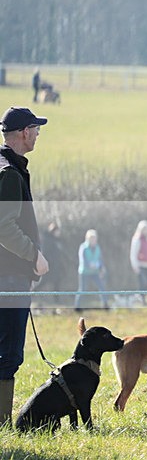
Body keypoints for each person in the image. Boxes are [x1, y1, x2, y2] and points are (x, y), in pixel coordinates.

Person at [0, 106, 49, 426]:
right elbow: (4, 226)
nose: (38, 134)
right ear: (24, 133)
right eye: (36, 129)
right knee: (8, 354)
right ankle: (2, 424)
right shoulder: (9, 173)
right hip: (9, 275)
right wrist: (34, 256)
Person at [74, 229, 109, 311]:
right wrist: (91, 265)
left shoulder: (97, 247)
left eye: (95, 238)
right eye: (92, 239)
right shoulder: (83, 247)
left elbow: (100, 259)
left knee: (102, 287)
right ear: (88, 239)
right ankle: (77, 307)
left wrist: (101, 268)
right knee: (82, 289)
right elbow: (83, 260)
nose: (93, 240)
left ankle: (105, 305)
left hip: (95, 272)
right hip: (84, 272)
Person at [130, 220, 147, 306]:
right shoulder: (137, 239)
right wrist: (135, 266)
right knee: (142, 283)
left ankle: (140, 297)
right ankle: (142, 300)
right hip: (140, 265)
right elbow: (133, 254)